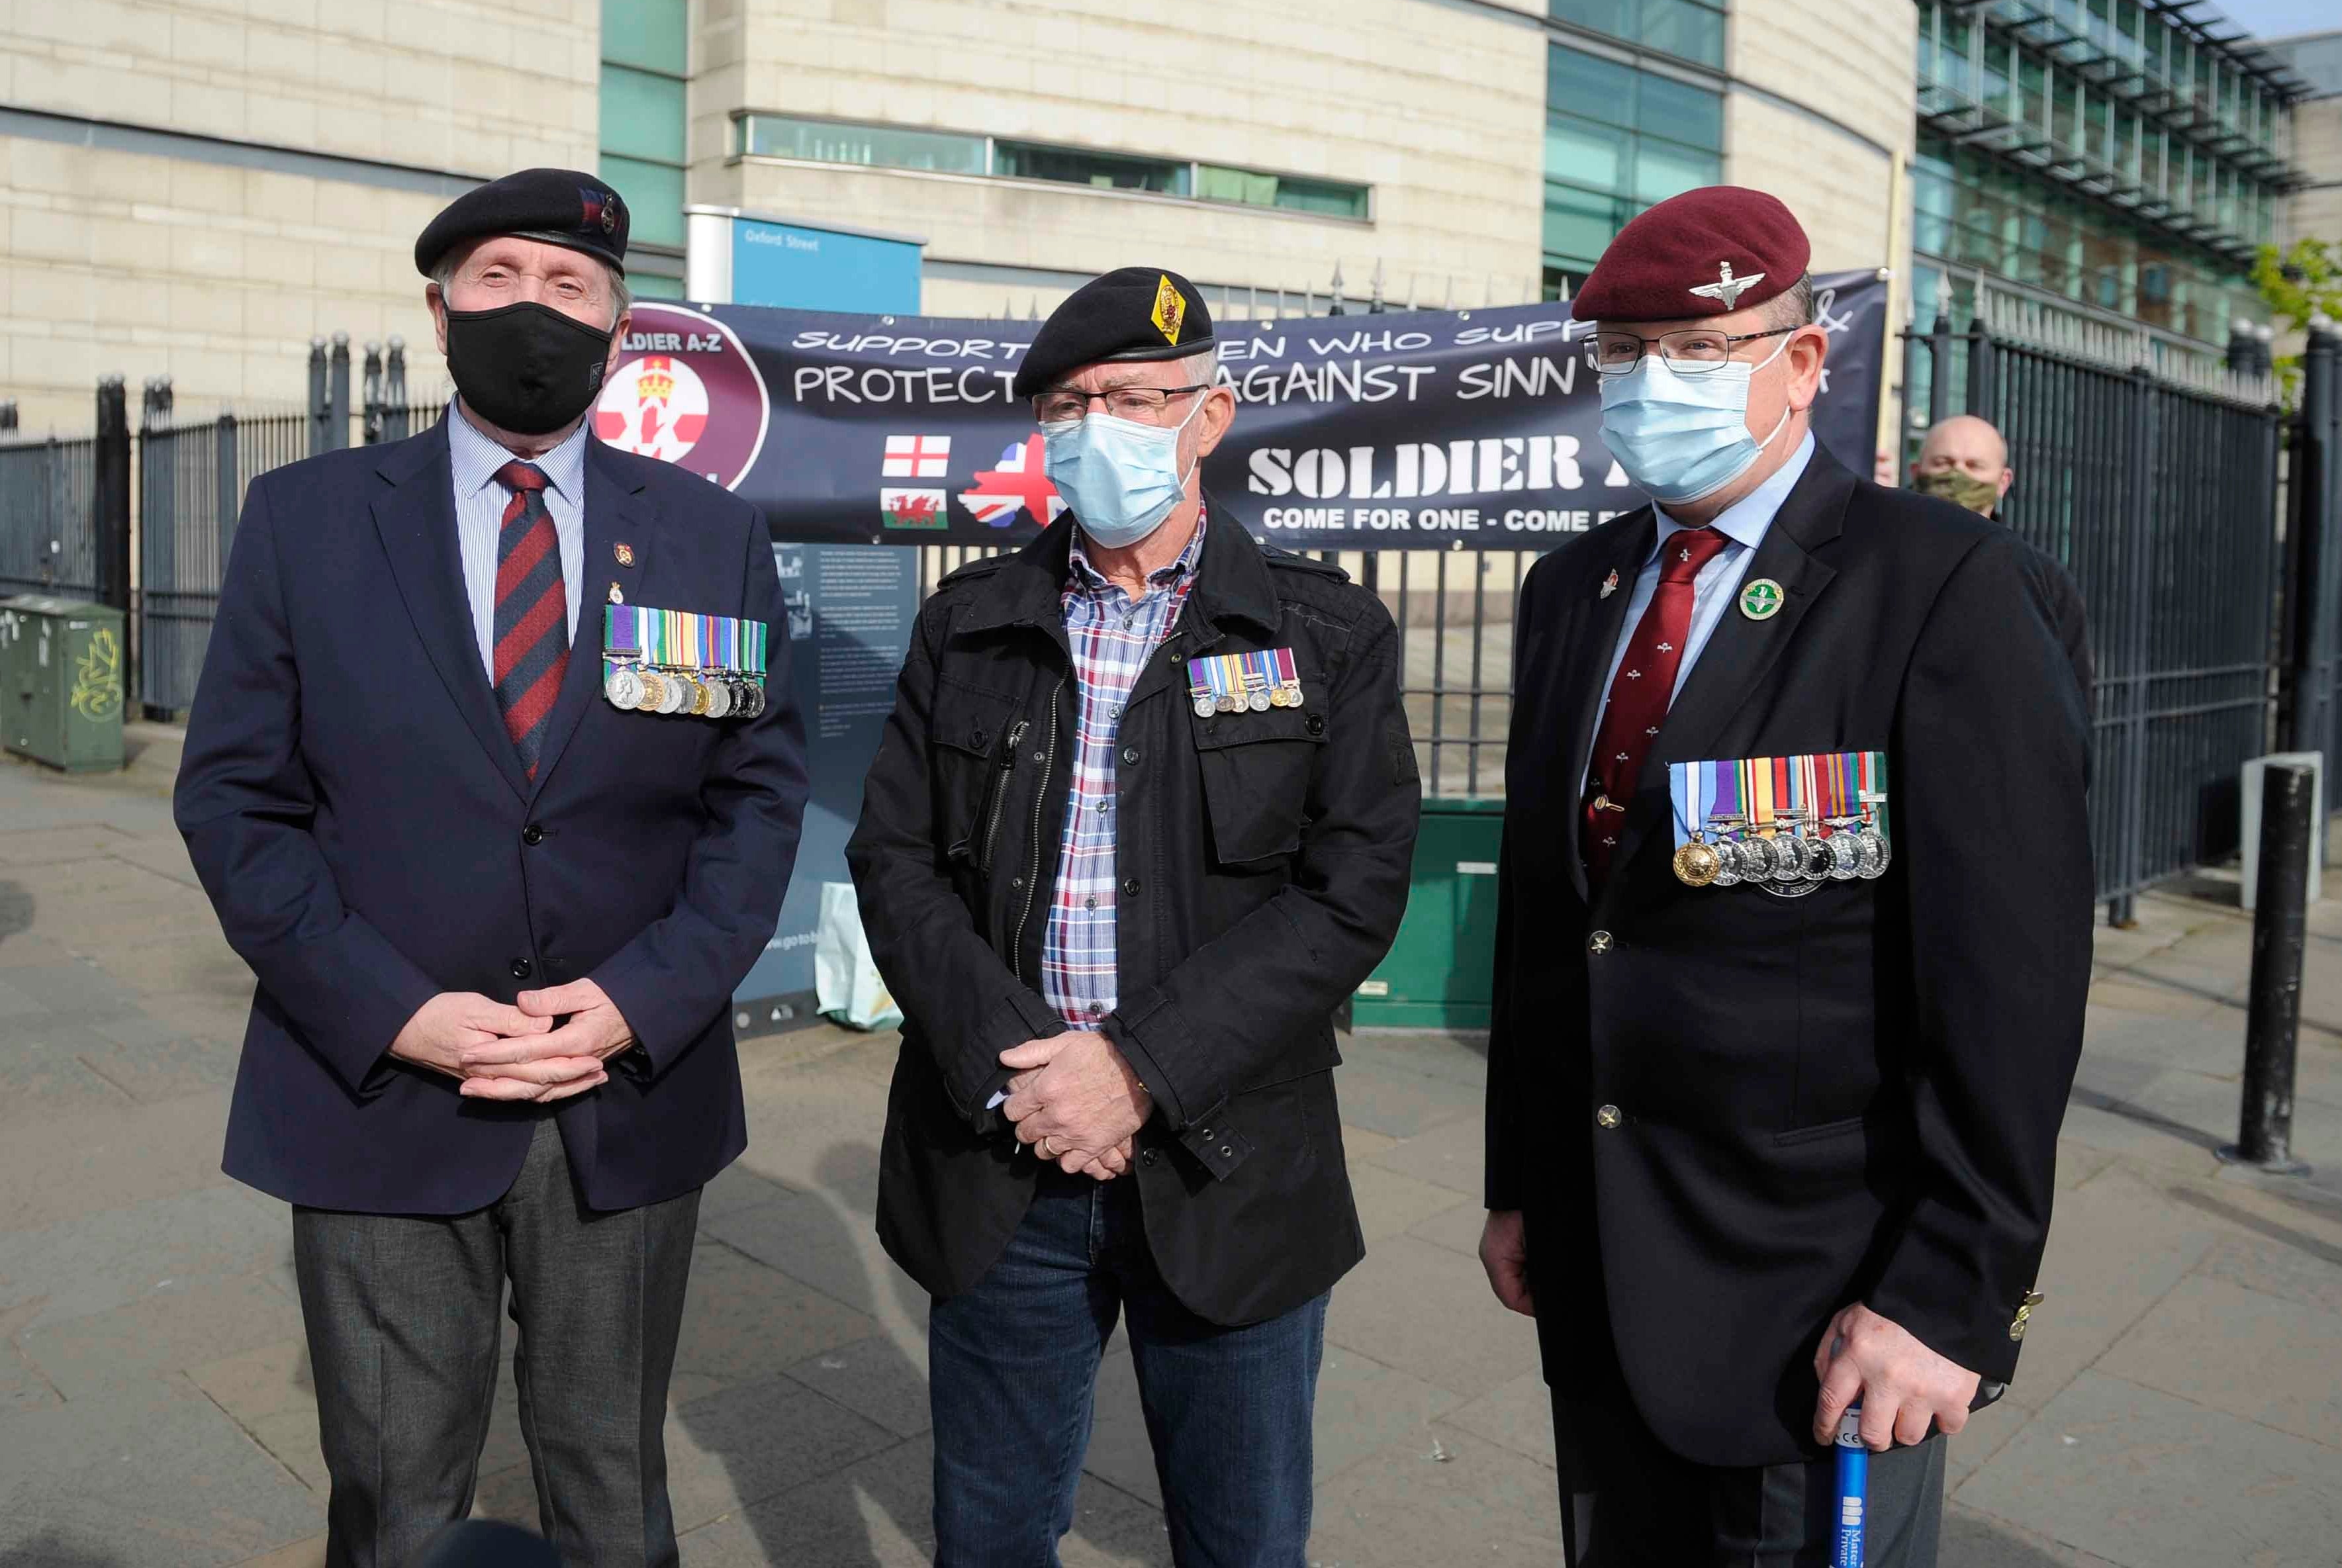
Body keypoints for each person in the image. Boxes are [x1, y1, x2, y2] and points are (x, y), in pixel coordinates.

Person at [175, 169, 809, 1568]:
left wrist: (642, 999)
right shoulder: (306, 521)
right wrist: (393, 1009)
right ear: (439, 308)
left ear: (618, 328)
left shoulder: (711, 536)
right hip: (378, 1089)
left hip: (623, 1096)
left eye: (570, 286)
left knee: (609, 1488)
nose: (535, 308)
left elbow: (755, 805)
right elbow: (235, 803)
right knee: (395, 1501)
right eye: (499, 277)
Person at [1478, 187, 2094, 1565]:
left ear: (1802, 362)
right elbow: (1551, 924)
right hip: (1600, 1264)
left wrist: (1949, 1295)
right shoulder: (1571, 590)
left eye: (1698, 354)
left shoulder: (1940, 588)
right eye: (1624, 357)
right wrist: (1520, 1178)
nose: (1652, 388)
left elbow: (2009, 985)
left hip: (1825, 1309)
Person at [846, 267, 1420, 1567]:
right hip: (1004, 1157)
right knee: (989, 1534)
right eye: (1071, 402)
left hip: (1228, 1166)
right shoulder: (969, 625)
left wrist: (1133, 1072)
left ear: (1208, 415)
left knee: (1241, 1540)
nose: (1099, 425)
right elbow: (895, 861)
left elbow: (1350, 892)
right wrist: (1033, 1076)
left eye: (1135, 397)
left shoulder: (1324, 634)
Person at [1913, 413, 2094, 708]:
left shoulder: (2045, 580)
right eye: (1943, 463)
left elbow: (2072, 699)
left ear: (2003, 481)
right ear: (1916, 470)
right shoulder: (1880, 561)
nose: (1958, 476)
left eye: (1975, 466)